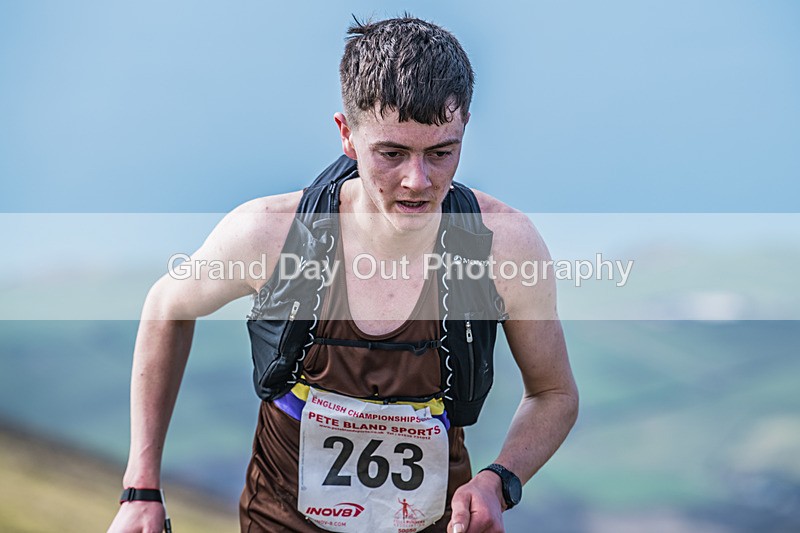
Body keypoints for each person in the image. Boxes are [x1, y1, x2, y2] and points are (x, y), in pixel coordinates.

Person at [108, 15, 578, 533]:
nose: (417, 181)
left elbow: (554, 394)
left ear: (465, 125)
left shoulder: (504, 245)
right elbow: (166, 305)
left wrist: (499, 479)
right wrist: (140, 489)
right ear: (347, 135)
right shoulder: (270, 234)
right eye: (392, 153)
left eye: (442, 153)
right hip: (279, 520)